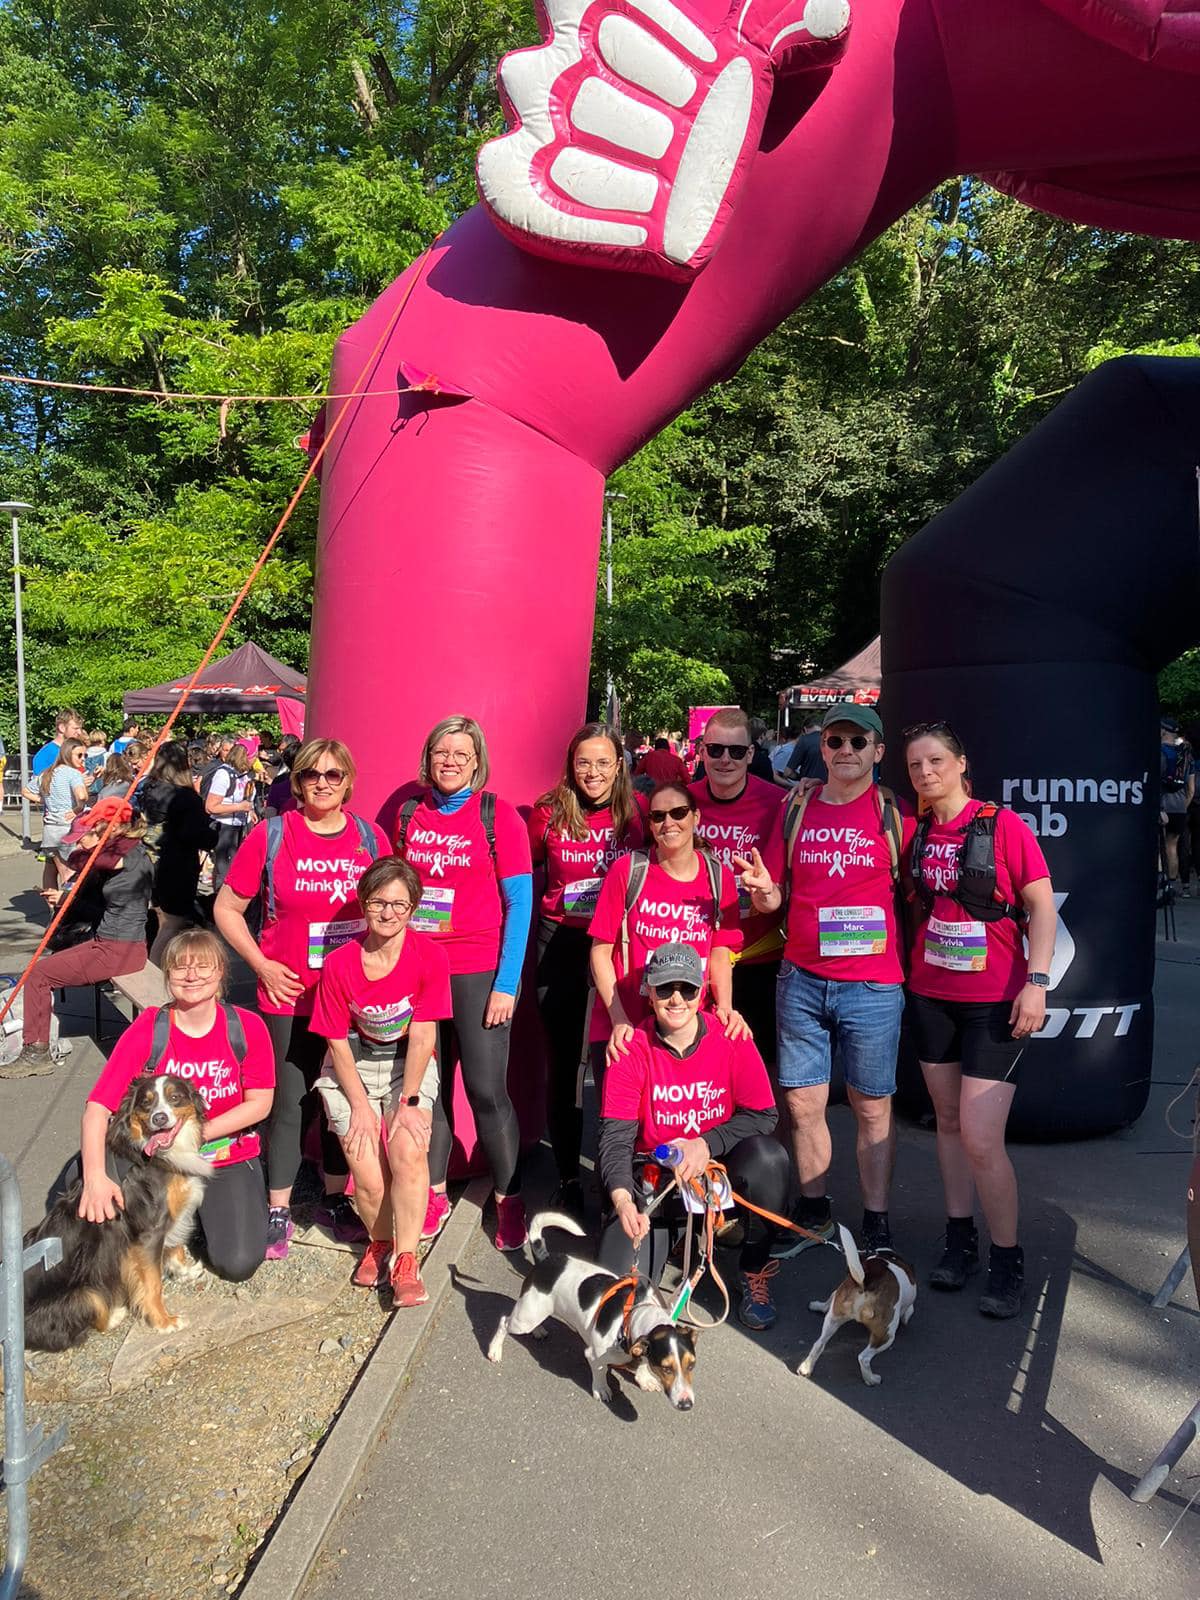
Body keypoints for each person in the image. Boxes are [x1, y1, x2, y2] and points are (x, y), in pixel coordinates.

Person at [739, 704, 913, 1257]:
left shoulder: (895, 815)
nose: (845, 752)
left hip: (874, 986)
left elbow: (920, 888)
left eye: (858, 743)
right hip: (803, 979)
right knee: (803, 1107)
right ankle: (814, 1208)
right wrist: (764, 892)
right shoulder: (798, 808)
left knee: (872, 1108)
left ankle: (876, 1220)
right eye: (836, 741)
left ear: (877, 753)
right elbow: (772, 893)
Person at [902, 721, 1057, 1320]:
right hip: (930, 993)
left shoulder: (1002, 825)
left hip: (994, 998)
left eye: (936, 761)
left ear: (962, 763)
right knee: (945, 1122)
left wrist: (1037, 984)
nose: (925, 773)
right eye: (915, 765)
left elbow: (1041, 903)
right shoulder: (918, 832)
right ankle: (960, 1241)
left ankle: (1008, 1257)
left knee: (982, 1136)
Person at [215, 738, 388, 1259]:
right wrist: (262, 965)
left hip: (350, 996)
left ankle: (336, 1200)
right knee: (290, 1103)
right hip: (287, 996)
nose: (323, 782)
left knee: (339, 1101)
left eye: (334, 775)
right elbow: (226, 908)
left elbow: (394, 905)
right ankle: (278, 1207)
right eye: (312, 773)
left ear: (348, 781)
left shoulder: (369, 837)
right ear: (298, 779)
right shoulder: (271, 835)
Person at [393, 715, 533, 1251]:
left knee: (485, 1090)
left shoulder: (497, 817)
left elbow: (518, 905)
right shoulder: (409, 814)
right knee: (429, 1091)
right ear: (428, 759)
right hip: (419, 972)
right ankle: (432, 1190)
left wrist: (507, 983)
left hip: (478, 972)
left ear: (477, 761)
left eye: (460, 752)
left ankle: (509, 1197)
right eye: (440, 752)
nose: (449, 761)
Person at [598, 943, 791, 1330]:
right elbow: (614, 1140)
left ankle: (752, 1268)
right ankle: (672, 1238)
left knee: (769, 1160)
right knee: (615, 1300)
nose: (676, 999)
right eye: (665, 988)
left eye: (687, 989)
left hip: (716, 1171)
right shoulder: (630, 1049)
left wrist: (706, 1144)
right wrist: (621, 1200)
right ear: (648, 992)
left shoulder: (731, 1035)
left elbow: (765, 1115)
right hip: (656, 1178)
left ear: (702, 992)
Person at [77, 929, 273, 1279]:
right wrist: (94, 1176)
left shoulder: (247, 1027)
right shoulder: (149, 1029)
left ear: (221, 973)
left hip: (224, 1155)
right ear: (167, 977)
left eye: (202, 967)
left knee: (238, 1264)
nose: (192, 975)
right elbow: (97, 1109)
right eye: (180, 968)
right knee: (104, 1217)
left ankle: (198, 1217)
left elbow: (259, 1104)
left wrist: (196, 1135)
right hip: (155, 1160)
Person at [309, 858, 452, 1306]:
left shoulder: (429, 955)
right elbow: (335, 1039)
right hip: (353, 1063)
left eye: (399, 904)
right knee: (366, 1169)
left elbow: (424, 1034)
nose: (388, 913)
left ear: (413, 908)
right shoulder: (339, 963)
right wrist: (361, 1106)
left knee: (407, 1149)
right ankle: (380, 1243)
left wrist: (408, 1101)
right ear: (363, 902)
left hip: (404, 1065)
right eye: (378, 902)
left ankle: (406, 1258)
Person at [529, 721, 643, 1215]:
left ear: (618, 765)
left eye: (602, 763)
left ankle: (623, 1171)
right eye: (583, 763)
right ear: (570, 766)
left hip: (618, 946)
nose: (592, 773)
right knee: (566, 1067)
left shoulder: (635, 817)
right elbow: (527, 875)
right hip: (560, 941)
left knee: (619, 1060)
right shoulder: (547, 813)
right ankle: (570, 1178)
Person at [589, 781, 745, 1094]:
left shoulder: (718, 876)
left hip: (689, 1027)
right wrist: (619, 1019)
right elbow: (599, 953)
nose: (668, 823)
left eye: (678, 812)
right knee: (622, 1133)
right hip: (629, 1025)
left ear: (696, 818)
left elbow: (719, 950)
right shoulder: (629, 870)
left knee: (677, 1129)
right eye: (658, 816)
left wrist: (725, 1007)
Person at [3, 798, 153, 1078]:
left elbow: (92, 858)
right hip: (109, 942)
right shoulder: (121, 856)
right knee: (42, 969)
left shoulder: (130, 857)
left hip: (119, 949)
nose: (84, 842)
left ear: (112, 829)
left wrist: (70, 889)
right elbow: (83, 866)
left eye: (93, 833)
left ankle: (36, 1053)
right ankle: (35, 1044)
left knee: (38, 975)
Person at [689, 708, 786, 1060]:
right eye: (715, 750)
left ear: (750, 754)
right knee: (702, 1061)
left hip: (759, 954)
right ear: (701, 751)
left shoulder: (779, 803)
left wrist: (765, 892)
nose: (724, 759)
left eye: (735, 751)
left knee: (760, 1063)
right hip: (696, 955)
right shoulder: (681, 802)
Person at [143, 742, 211, 963]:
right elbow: (195, 835)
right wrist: (213, 836)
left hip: (150, 859)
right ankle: (152, 972)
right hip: (177, 864)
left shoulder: (150, 788)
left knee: (162, 917)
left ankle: (163, 965)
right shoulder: (184, 798)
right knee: (174, 922)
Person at [204, 742, 257, 893]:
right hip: (225, 829)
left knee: (237, 868)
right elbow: (211, 807)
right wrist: (240, 807)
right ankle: (220, 907)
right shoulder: (224, 774)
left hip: (241, 826)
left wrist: (250, 811)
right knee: (225, 872)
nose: (256, 760)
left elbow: (245, 799)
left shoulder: (245, 773)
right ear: (247, 757)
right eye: (254, 756)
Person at [39, 737, 90, 887]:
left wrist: (46, 802)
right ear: (68, 754)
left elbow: (26, 791)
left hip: (50, 832)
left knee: (54, 870)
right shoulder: (73, 773)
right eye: (79, 755)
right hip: (67, 829)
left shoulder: (47, 773)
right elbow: (82, 796)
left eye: (84, 755)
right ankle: (67, 906)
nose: (83, 759)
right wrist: (78, 808)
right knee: (70, 875)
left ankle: (53, 907)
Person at [1159, 717, 1193, 892]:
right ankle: (1171, 886)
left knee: (1159, 849)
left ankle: (1160, 884)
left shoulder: (1159, 752)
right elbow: (1191, 788)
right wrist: (1185, 806)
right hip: (1180, 806)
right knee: (1172, 846)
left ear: (1164, 731)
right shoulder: (1185, 755)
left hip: (1163, 806)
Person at [28, 708, 85, 787]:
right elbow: (39, 787)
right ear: (62, 728)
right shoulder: (46, 754)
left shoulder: (75, 752)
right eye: (75, 728)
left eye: (80, 728)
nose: (79, 732)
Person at [785, 714, 828, 783]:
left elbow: (788, 772)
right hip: (830, 789)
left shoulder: (804, 740)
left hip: (808, 788)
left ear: (805, 729)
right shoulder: (832, 740)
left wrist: (801, 777)